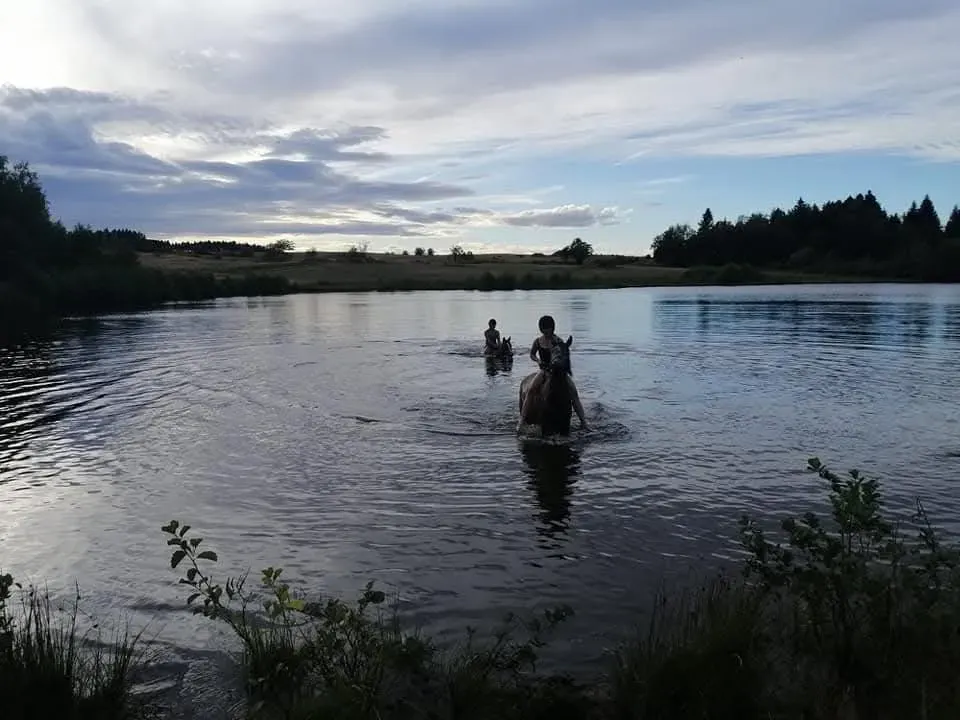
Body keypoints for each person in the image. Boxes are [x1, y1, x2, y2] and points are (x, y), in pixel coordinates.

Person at [520, 315, 588, 429]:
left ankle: (584, 422)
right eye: (544, 329)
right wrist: (538, 360)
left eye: (549, 329)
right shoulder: (538, 341)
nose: (547, 332)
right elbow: (532, 354)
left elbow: (562, 355)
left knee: (573, 392)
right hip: (544, 371)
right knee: (531, 390)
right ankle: (521, 420)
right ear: (541, 329)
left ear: (552, 328)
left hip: (557, 372)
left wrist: (558, 363)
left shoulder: (558, 341)